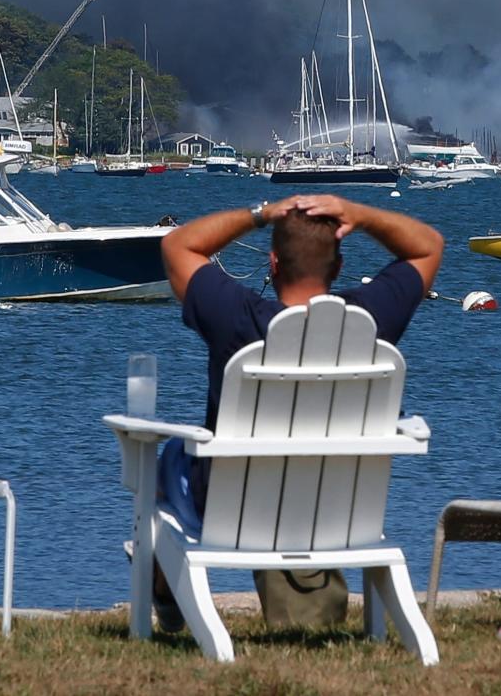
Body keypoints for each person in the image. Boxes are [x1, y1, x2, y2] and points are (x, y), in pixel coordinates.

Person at [157, 194, 443, 630]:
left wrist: (260, 213)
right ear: (339, 268)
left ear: (273, 264)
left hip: (231, 509)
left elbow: (178, 245)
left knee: (173, 454)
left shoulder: (238, 318)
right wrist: (361, 215)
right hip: (339, 509)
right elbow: (429, 246)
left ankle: (167, 593)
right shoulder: (370, 320)